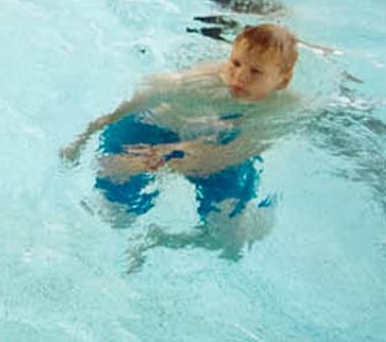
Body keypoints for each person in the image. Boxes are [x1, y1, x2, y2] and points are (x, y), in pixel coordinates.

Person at [62, 24, 303, 262]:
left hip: (213, 144)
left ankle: (158, 239)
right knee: (115, 216)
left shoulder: (285, 108)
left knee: (229, 243)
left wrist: (170, 157)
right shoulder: (198, 84)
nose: (240, 77)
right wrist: (81, 141)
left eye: (255, 72)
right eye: (235, 63)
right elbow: (130, 105)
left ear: (282, 81)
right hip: (154, 128)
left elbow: (227, 155)